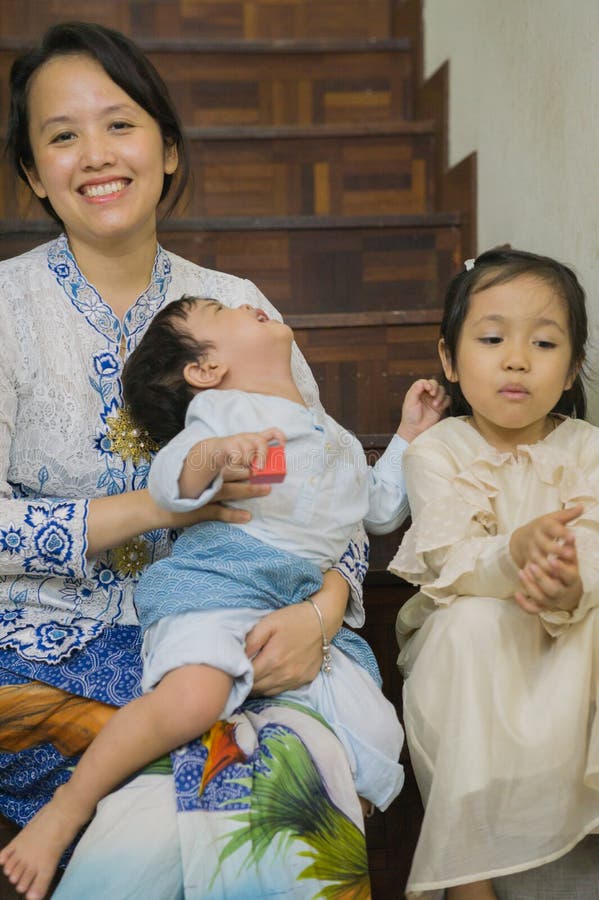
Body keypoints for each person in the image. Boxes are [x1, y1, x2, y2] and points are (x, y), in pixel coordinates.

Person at [0, 20, 438, 900]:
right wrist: (159, 510)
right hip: (45, 655)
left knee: (276, 772)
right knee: (191, 807)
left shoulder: (238, 308)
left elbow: (327, 495)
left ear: (166, 147)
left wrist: (321, 613)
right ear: (32, 175)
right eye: (62, 135)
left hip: (243, 635)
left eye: (119, 124)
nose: (95, 154)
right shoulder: (5, 310)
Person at [0, 292, 448, 897]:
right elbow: (171, 478)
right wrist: (214, 455)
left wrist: (409, 437)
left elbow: (375, 509)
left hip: (290, 602)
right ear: (205, 371)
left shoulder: (332, 435)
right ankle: (68, 809)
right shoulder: (223, 414)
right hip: (217, 586)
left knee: (368, 728)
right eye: (222, 309)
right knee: (194, 701)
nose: (245, 302)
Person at [389, 247, 599, 900]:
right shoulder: (437, 451)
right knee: (470, 625)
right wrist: (514, 555)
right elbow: (448, 560)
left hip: (568, 633)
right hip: (473, 645)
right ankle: (468, 877)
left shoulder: (587, 449)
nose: (515, 359)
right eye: (490, 338)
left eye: (542, 342)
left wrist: (568, 581)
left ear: (569, 371)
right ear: (449, 360)